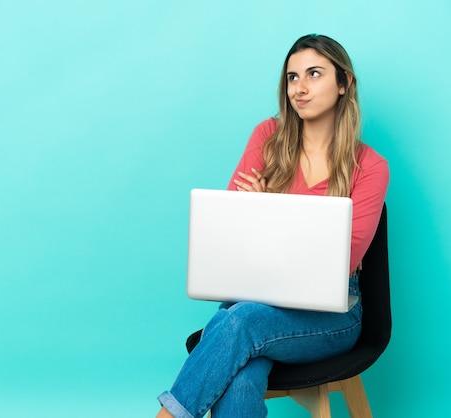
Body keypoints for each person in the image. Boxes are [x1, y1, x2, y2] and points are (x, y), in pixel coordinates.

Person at [156, 34, 389, 418]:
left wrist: (267, 207)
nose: (300, 88)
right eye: (292, 77)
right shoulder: (267, 137)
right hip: (251, 296)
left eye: (314, 74)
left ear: (344, 82)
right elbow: (228, 233)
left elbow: (340, 262)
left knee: (241, 321)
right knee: (243, 373)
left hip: (331, 314)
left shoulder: (371, 167)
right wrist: (263, 218)